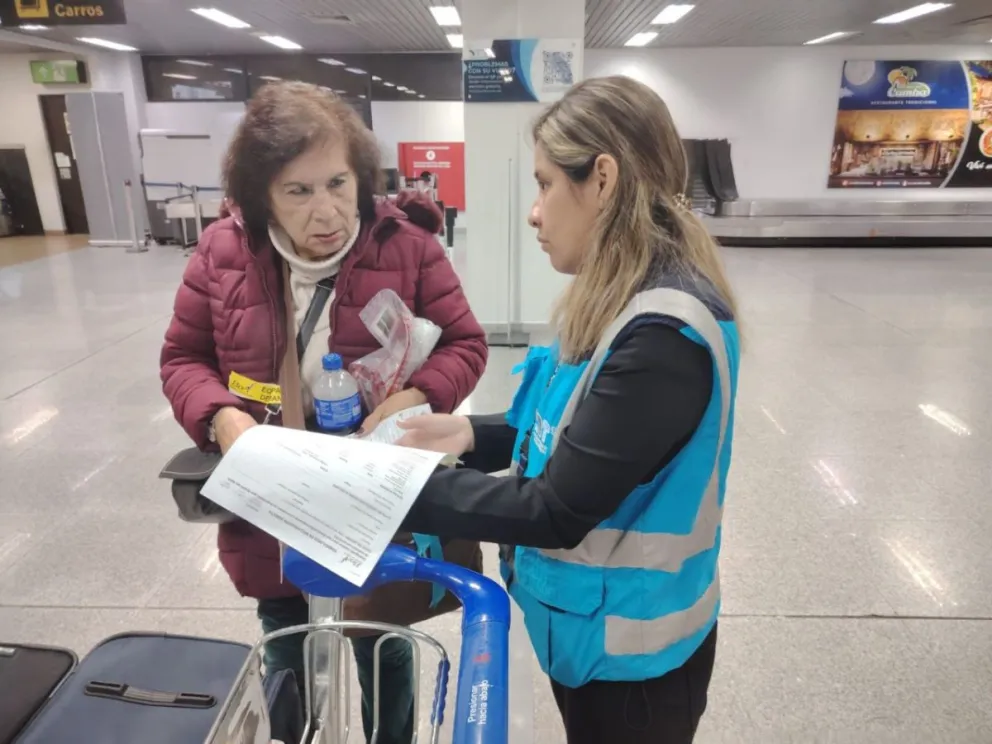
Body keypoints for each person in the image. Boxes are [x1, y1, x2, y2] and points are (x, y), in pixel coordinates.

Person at [395, 75, 741, 744]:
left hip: (634, 670)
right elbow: (571, 429)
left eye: (546, 183)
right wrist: (469, 432)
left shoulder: (662, 335)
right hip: (595, 637)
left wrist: (401, 489)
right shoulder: (619, 296)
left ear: (603, 179)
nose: (534, 211)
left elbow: (555, 508)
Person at [160, 81, 487, 744]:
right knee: (285, 638)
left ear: (361, 176)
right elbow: (182, 359)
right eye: (297, 191)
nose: (326, 211)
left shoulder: (409, 247)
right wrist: (223, 419)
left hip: (376, 491)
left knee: (382, 642)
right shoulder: (224, 254)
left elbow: (465, 343)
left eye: (338, 183)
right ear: (261, 197)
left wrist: (416, 394)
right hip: (272, 499)